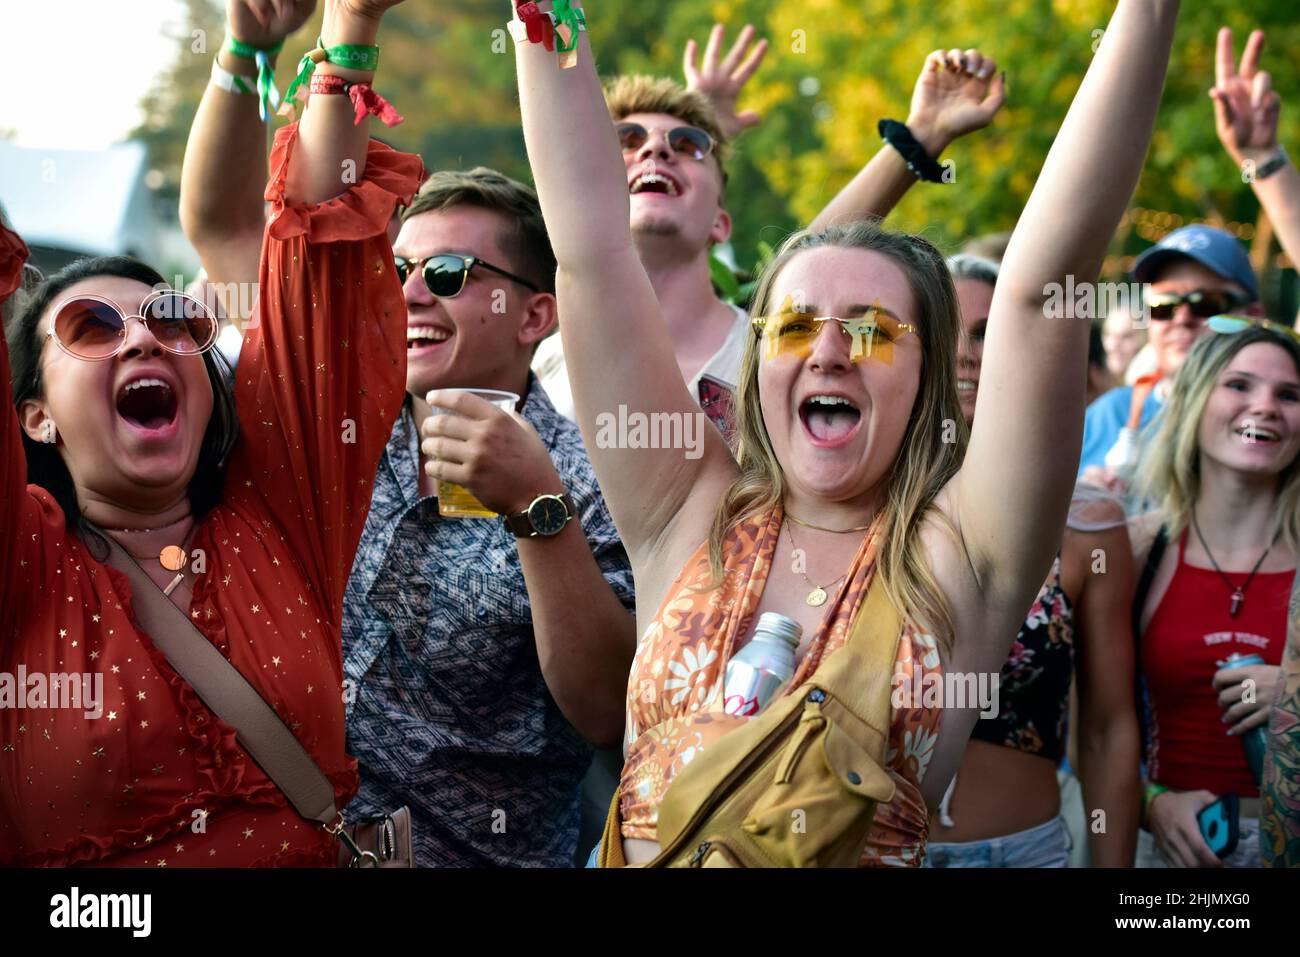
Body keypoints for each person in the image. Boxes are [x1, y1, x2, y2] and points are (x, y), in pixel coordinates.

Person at [513, 0, 1179, 866]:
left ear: (926, 373)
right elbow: (593, 246)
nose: (828, 352)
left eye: (868, 330)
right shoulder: (685, 504)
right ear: (757, 365)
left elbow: (1044, 277)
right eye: (793, 326)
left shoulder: (965, 554)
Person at [178, 0, 639, 867]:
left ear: (535, 313)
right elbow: (233, 228)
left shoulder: (592, 470)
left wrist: (538, 511)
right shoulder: (330, 414)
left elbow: (610, 712)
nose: (412, 291)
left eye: (451, 273)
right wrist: (287, 43)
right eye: (397, 269)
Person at [0, 0, 423, 866]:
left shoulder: (284, 511)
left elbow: (321, 259)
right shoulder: (22, 563)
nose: (146, 336)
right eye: (91, 329)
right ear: (33, 414)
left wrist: (348, 26)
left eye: (170, 318)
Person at [534, 31, 1007, 433]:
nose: (656, 148)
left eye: (688, 145)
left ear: (721, 223)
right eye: (627, 140)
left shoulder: (775, 345)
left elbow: (814, 258)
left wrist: (922, 133)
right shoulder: (543, 360)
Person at [924, 256, 1139, 868]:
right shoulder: (854, 504)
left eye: (989, 332)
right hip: (863, 852)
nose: (965, 353)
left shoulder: (1087, 526)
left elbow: (1108, 728)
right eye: (944, 329)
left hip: (1021, 853)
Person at [1129, 319, 1300, 867]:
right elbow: (1094, 734)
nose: (1266, 405)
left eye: (1290, 395)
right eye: (1240, 385)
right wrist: (1150, 806)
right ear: (1196, 400)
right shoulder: (1135, 551)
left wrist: (1293, 695)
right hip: (1175, 856)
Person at [1079, 223, 1261, 485]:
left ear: (1253, 316)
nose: (1182, 319)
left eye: (1206, 303)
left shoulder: (1273, 421)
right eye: (1162, 305)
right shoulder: (1111, 413)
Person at [1261, 566, 1300, 867]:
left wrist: (1284, 686)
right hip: (1172, 844)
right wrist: (1153, 803)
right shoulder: (1147, 545)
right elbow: (1093, 741)